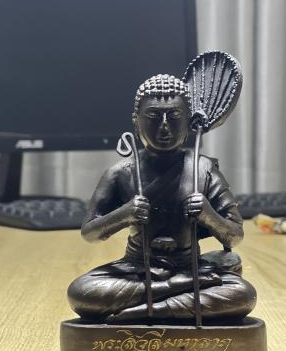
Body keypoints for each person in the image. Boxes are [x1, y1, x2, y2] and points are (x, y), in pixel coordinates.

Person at [67, 74, 256, 323]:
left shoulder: (203, 169)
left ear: (189, 121)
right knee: (81, 292)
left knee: (243, 295)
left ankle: (149, 309)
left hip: (190, 266)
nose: (164, 127)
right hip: (137, 268)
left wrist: (208, 215)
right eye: (154, 117)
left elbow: (235, 235)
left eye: (174, 117)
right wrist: (124, 214)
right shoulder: (121, 172)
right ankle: (174, 290)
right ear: (136, 121)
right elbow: (90, 233)